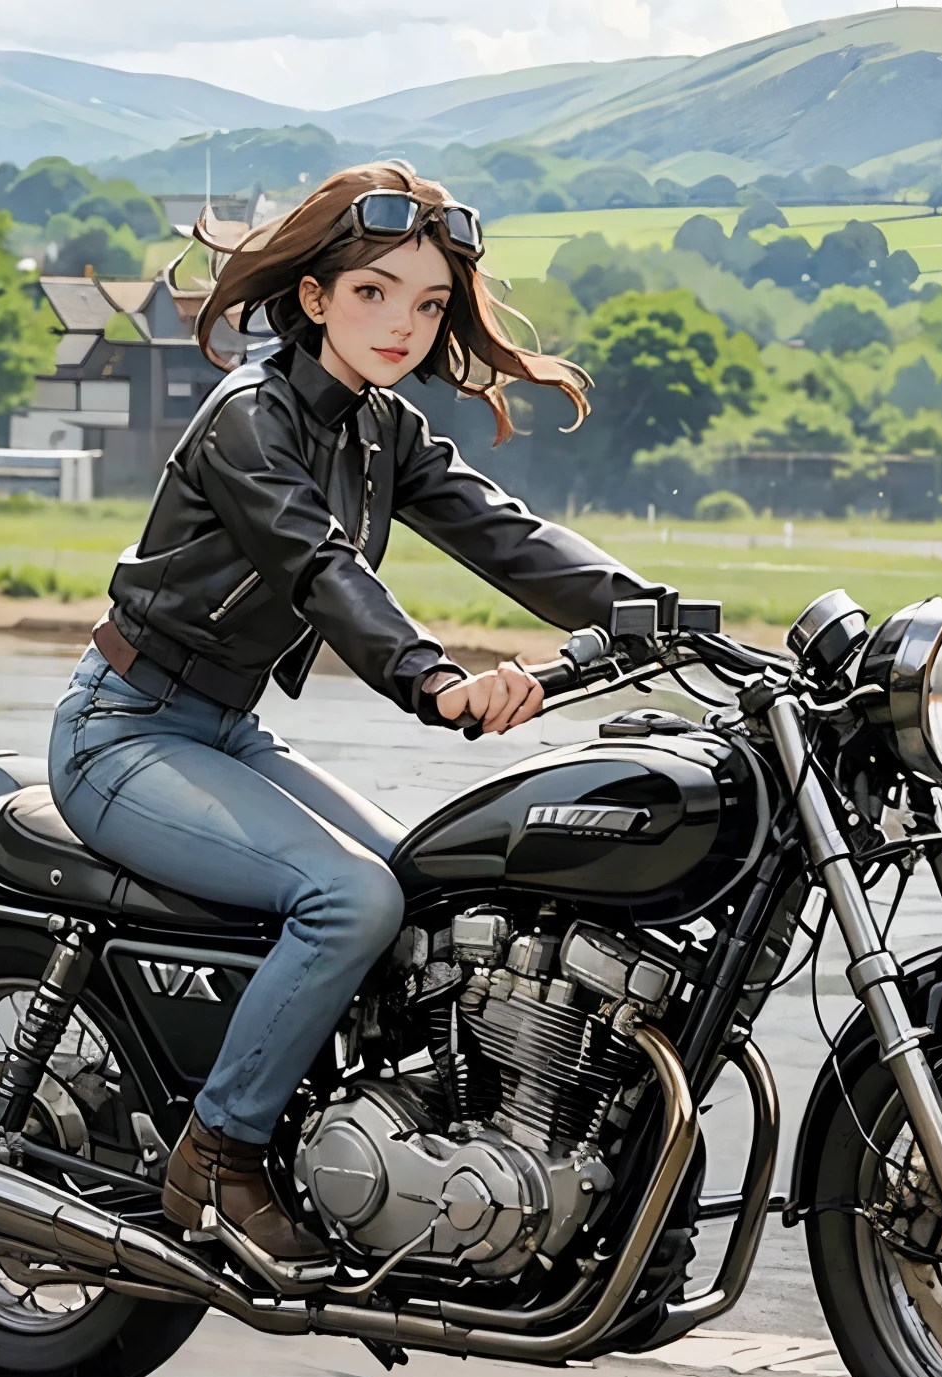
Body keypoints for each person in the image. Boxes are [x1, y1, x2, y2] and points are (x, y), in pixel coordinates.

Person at [48, 161, 664, 1259]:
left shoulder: (383, 431)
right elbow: (320, 570)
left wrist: (671, 620)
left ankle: (392, 1150)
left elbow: (507, 535)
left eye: (428, 305)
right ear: (318, 296)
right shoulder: (252, 417)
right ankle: (220, 1152)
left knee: (430, 900)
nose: (405, 326)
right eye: (375, 294)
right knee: (349, 899)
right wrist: (435, 678)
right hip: (123, 731)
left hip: (225, 728)